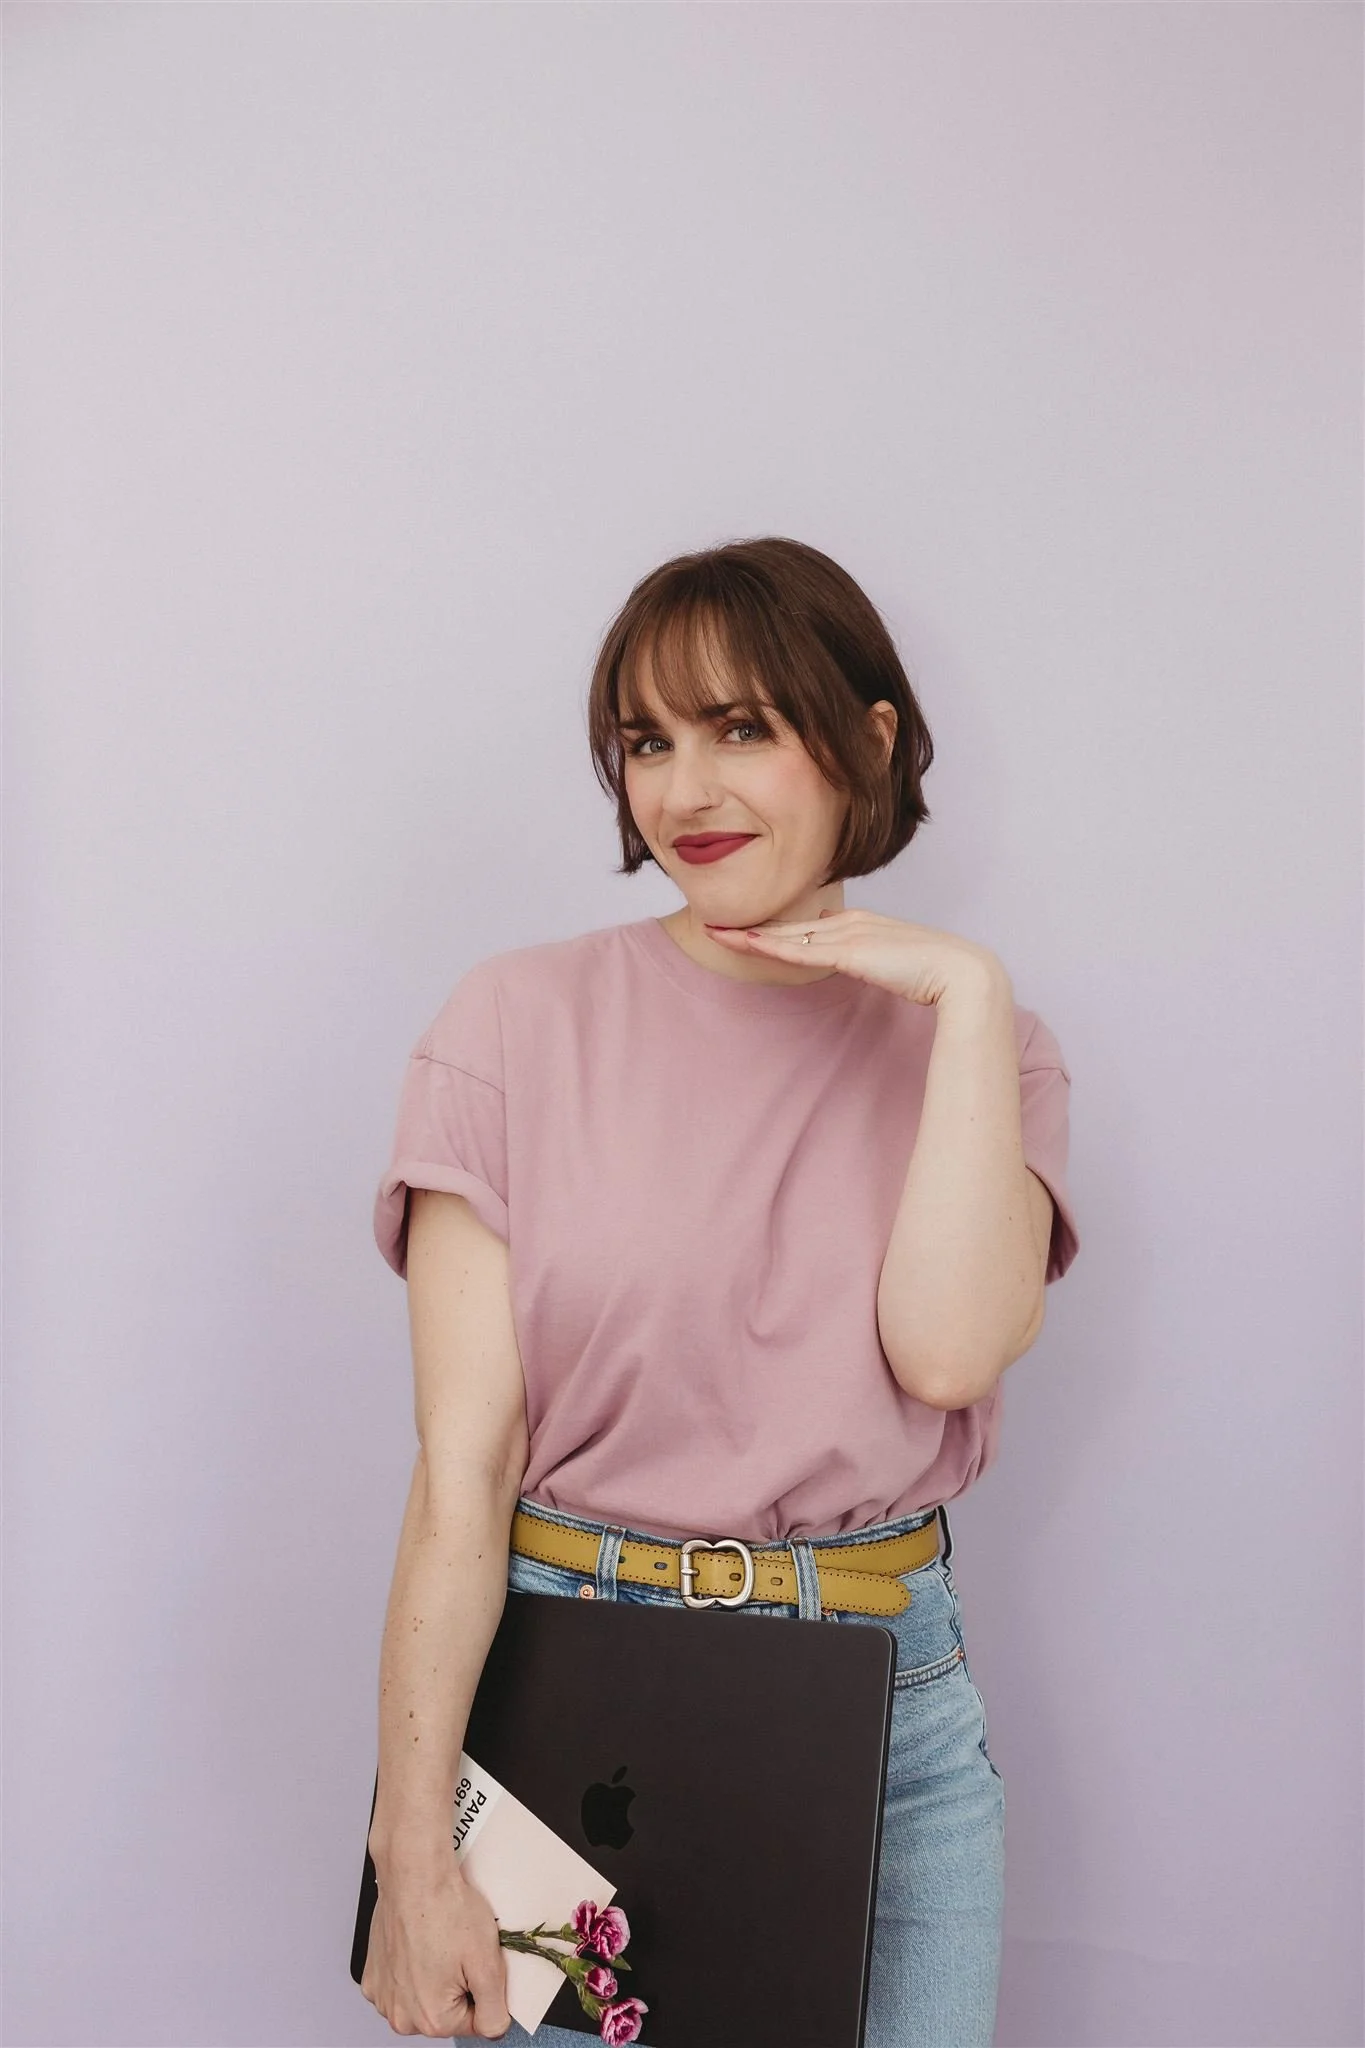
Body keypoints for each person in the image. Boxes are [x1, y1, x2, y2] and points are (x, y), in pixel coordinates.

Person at [358, 536, 1080, 2048]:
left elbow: (947, 1355)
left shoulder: (984, 1056)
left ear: (867, 741)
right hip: (578, 1702)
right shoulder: (516, 1023)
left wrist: (963, 997)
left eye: (742, 727)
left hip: (886, 1706)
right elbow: (463, 1473)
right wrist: (410, 1853)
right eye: (647, 740)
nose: (685, 792)